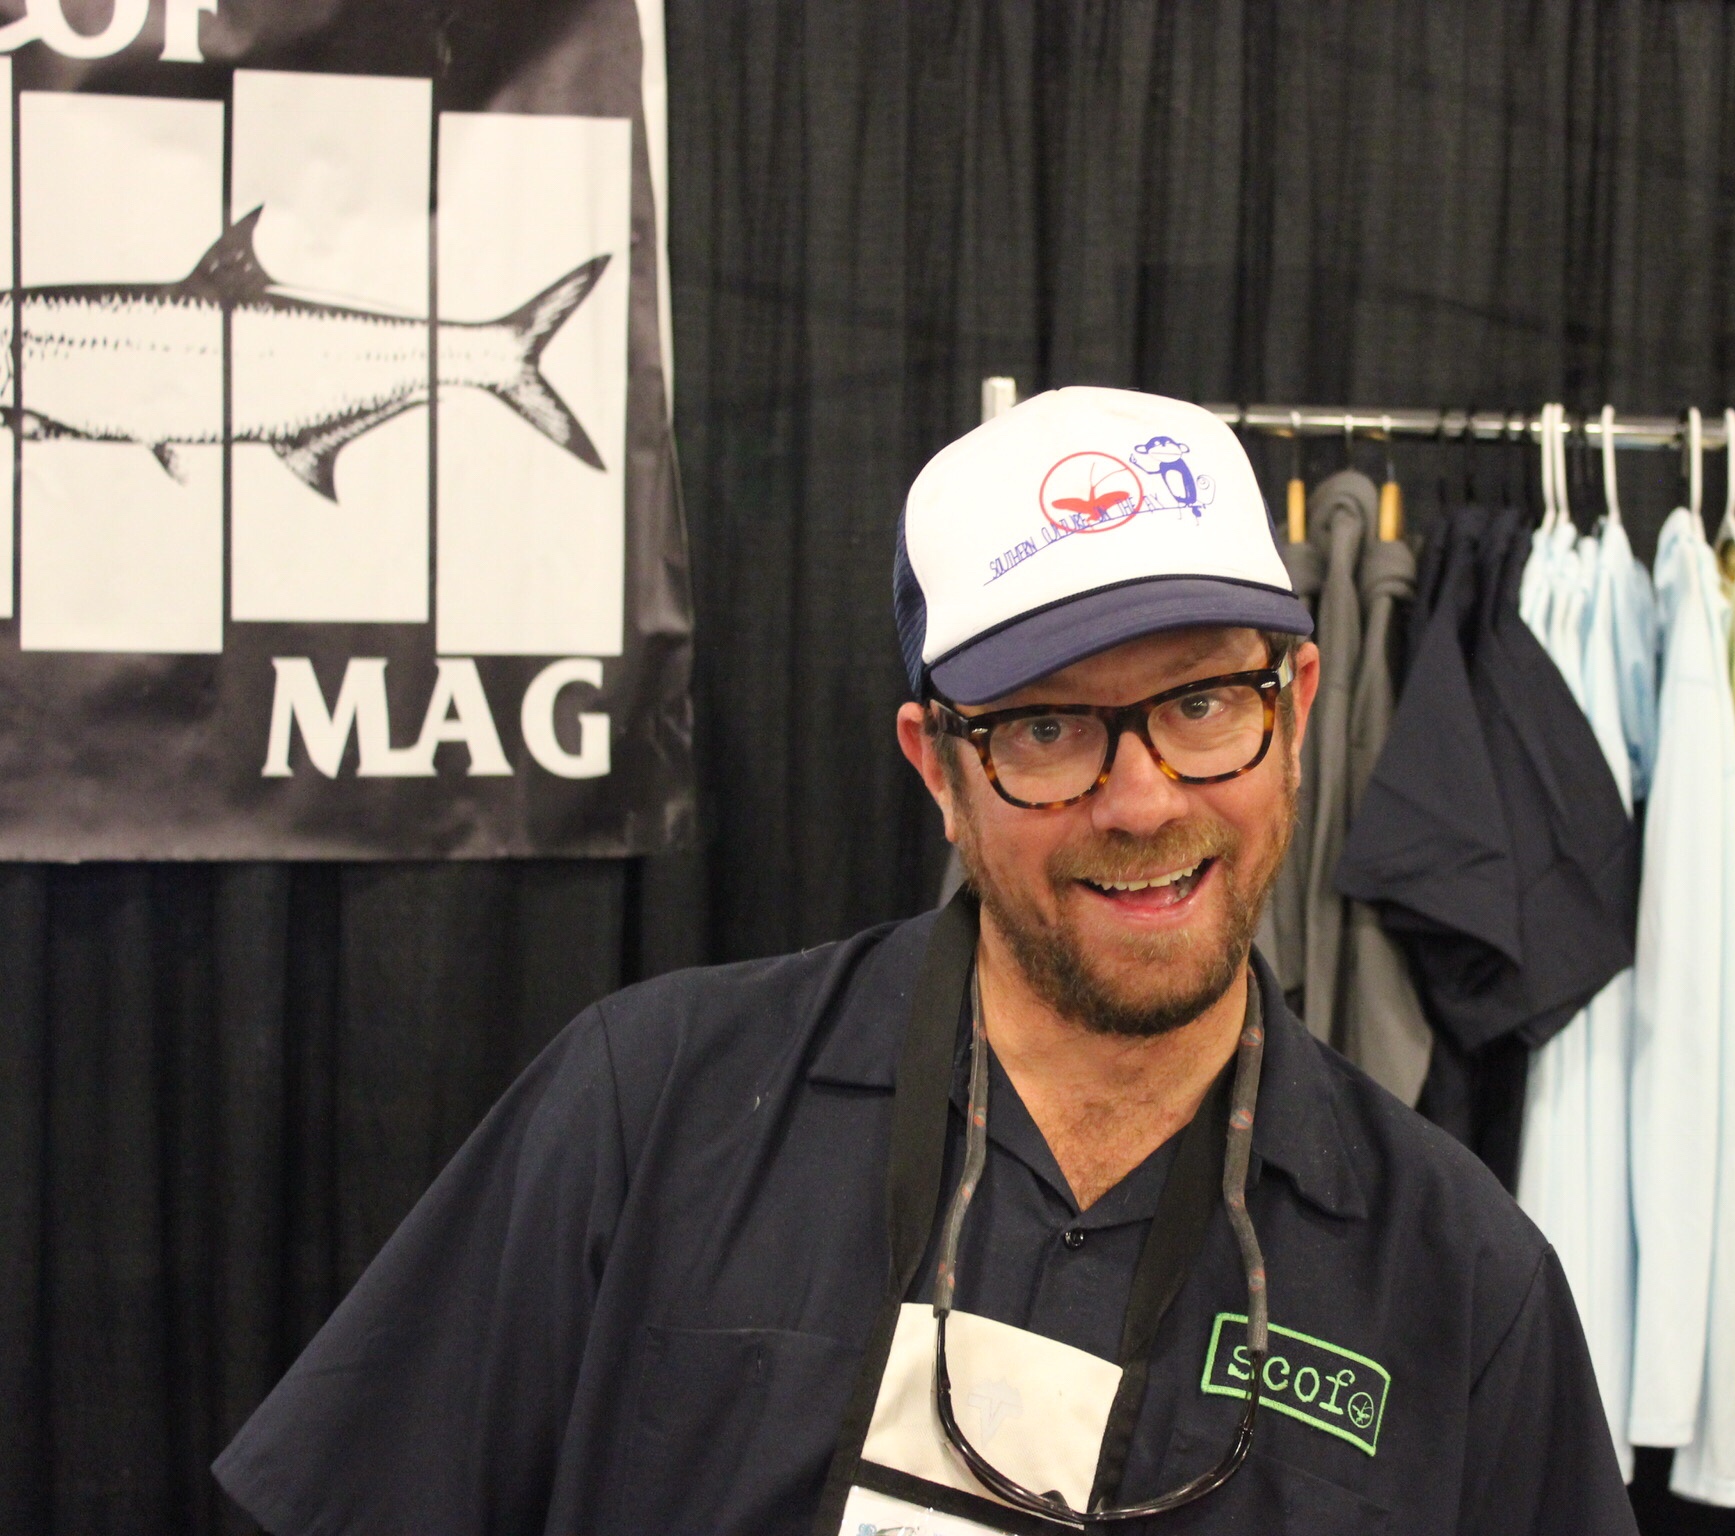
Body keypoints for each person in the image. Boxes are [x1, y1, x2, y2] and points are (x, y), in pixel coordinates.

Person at [213, 386, 1635, 1535]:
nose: (1143, 800)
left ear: (1298, 706)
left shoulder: (1461, 1287)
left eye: (1204, 702)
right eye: (1047, 729)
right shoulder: (650, 1117)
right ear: (937, 770)